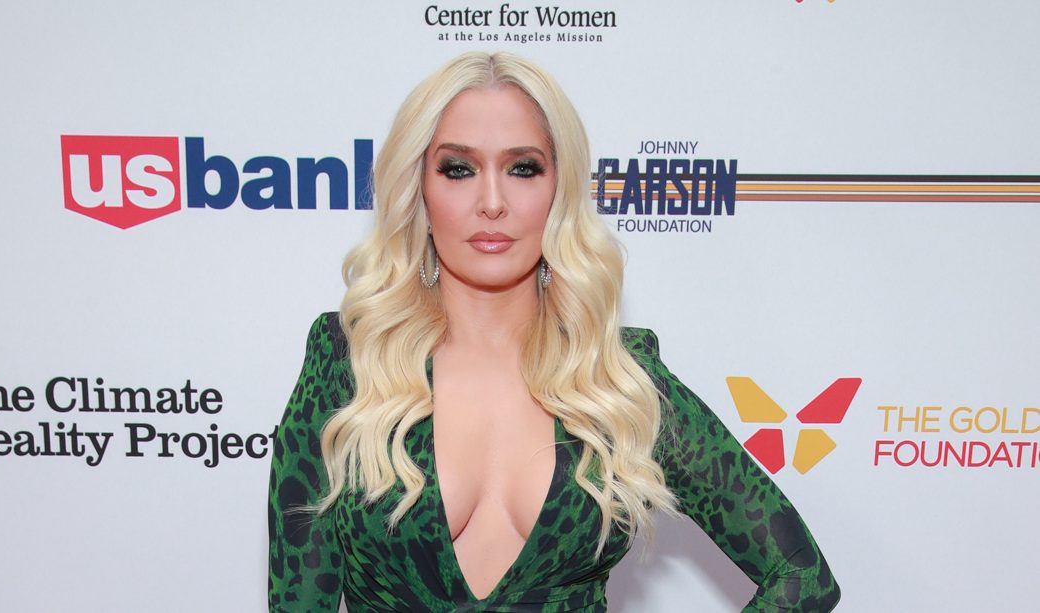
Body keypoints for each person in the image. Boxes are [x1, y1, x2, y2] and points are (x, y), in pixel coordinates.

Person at [268, 51, 840, 612]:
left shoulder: (617, 382)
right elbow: (298, 600)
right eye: (459, 169)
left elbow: (800, 576)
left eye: (523, 169)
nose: (492, 202)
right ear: (418, 188)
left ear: (560, 189)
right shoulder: (349, 366)